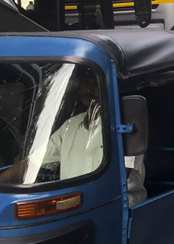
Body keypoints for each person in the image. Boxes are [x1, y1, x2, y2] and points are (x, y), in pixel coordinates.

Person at [0, 71, 145, 206]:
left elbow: (118, 177)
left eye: (96, 84)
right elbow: (32, 163)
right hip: (76, 208)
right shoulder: (70, 125)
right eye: (86, 83)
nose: (89, 89)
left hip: (116, 207)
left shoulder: (125, 123)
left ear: (109, 88)